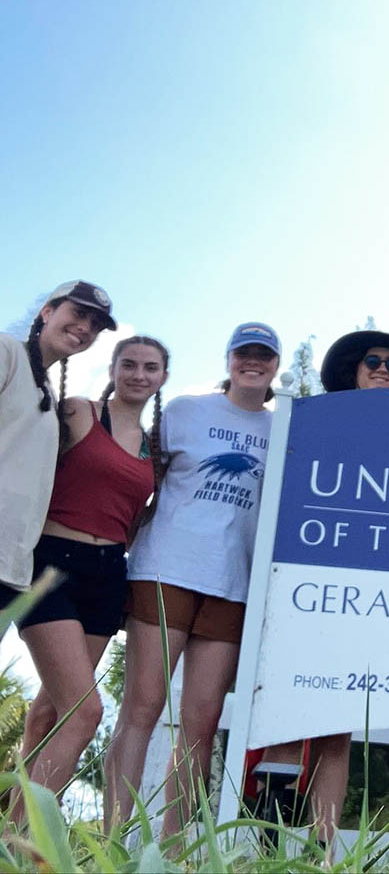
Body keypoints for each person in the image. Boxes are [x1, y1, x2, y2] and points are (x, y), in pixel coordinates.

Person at [253, 329, 389, 847]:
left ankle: (323, 850)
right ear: (354, 369)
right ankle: (268, 839)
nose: (384, 369)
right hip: (304, 585)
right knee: (284, 719)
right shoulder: (312, 420)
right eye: (373, 361)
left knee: (337, 730)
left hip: (368, 594)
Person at [105, 322, 282, 837]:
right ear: (228, 359)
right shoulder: (185, 410)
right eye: (243, 353)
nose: (253, 362)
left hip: (234, 583)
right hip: (167, 569)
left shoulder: (285, 426)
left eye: (263, 355)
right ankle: (114, 837)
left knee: (201, 725)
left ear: (274, 364)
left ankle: (173, 849)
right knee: (142, 709)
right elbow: (143, 481)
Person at [11, 337, 167, 809]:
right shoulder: (80, 412)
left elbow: (137, 518)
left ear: (163, 377)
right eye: (130, 364)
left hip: (107, 577)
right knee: (85, 711)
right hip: (53, 566)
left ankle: (11, 839)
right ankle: (27, 842)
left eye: (151, 367)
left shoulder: (154, 447)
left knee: (50, 712)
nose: (139, 374)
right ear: (114, 368)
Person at [0, 281, 115, 602]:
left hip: (12, 564)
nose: (85, 328)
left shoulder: (49, 396)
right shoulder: (7, 350)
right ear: (46, 312)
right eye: (79, 313)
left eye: (95, 325)